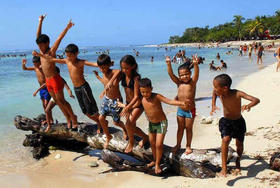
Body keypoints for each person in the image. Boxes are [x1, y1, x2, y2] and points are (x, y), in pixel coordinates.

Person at [33, 43, 102, 133]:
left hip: (84, 88)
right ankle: (99, 122)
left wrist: (104, 63)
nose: (68, 57)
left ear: (76, 53)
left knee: (91, 109)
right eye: (67, 55)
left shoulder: (81, 62)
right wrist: (39, 55)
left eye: (70, 55)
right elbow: (52, 59)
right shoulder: (67, 61)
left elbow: (94, 64)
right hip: (76, 89)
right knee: (85, 112)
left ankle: (101, 124)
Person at [34, 14, 77, 131]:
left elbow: (59, 38)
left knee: (62, 101)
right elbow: (38, 36)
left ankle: (72, 118)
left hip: (55, 79)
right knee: (57, 102)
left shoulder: (51, 51)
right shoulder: (40, 51)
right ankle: (68, 118)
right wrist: (40, 21)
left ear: (47, 43)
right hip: (48, 81)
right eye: (39, 45)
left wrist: (67, 28)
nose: (40, 47)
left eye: (42, 44)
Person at [211, 74, 260, 177]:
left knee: (239, 144)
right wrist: (213, 105)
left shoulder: (237, 94)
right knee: (225, 140)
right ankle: (224, 168)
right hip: (226, 121)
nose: (214, 89)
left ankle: (238, 160)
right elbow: (214, 93)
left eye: (216, 87)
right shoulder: (218, 92)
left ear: (225, 88)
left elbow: (256, 100)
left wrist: (248, 105)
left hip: (238, 122)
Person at [139, 78, 189, 174]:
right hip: (151, 124)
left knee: (158, 144)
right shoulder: (142, 99)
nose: (145, 94)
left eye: (147, 92)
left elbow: (169, 101)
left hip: (161, 123)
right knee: (152, 143)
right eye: (142, 92)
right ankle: (154, 160)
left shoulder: (157, 96)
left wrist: (182, 103)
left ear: (151, 89)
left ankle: (157, 164)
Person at [165, 55, 199, 155]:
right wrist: (168, 64)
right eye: (182, 75)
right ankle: (178, 144)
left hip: (190, 110)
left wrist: (196, 64)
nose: (184, 76)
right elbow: (171, 75)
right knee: (180, 128)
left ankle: (188, 145)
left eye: (186, 74)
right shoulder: (179, 83)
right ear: (179, 76)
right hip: (180, 110)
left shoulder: (192, 83)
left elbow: (196, 74)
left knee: (188, 128)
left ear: (190, 73)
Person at [116, 55, 149, 153]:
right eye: (122, 68)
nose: (124, 70)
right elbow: (114, 77)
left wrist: (127, 108)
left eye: (126, 68)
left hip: (137, 104)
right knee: (131, 127)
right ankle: (145, 137)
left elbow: (136, 97)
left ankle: (131, 142)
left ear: (133, 66)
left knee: (128, 124)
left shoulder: (136, 78)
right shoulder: (123, 75)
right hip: (128, 103)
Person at [95, 54, 127, 149]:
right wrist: (98, 77)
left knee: (116, 123)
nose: (102, 70)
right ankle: (108, 135)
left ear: (109, 65)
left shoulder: (113, 72)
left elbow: (119, 71)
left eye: (104, 67)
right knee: (101, 118)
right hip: (107, 99)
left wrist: (111, 81)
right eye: (100, 68)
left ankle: (125, 129)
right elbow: (105, 83)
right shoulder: (103, 73)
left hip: (116, 101)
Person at [22, 56, 53, 125]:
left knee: (47, 104)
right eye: (34, 64)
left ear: (40, 62)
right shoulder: (35, 68)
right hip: (41, 90)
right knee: (44, 105)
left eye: (37, 64)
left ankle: (50, 120)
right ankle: (49, 119)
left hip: (47, 88)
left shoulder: (44, 69)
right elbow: (25, 69)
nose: (36, 65)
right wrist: (24, 64)